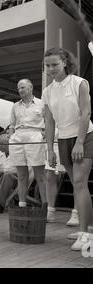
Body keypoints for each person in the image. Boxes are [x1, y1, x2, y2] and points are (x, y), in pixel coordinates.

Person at [42, 47, 93, 250]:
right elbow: (49, 122)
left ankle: (85, 235)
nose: (51, 68)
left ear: (65, 62)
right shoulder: (47, 92)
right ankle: (87, 228)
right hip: (63, 139)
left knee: (80, 183)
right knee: (77, 185)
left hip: (84, 136)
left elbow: (86, 113)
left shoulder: (80, 83)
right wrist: (49, 149)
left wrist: (79, 142)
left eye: (55, 64)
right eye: (47, 65)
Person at [9, 79, 46, 208]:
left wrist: (43, 135)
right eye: (18, 88)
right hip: (18, 138)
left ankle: (45, 207)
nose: (20, 90)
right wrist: (11, 135)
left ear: (31, 88)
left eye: (23, 87)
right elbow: (12, 125)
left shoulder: (41, 104)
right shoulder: (15, 106)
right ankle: (22, 205)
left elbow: (50, 123)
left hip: (35, 136)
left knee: (39, 174)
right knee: (21, 175)